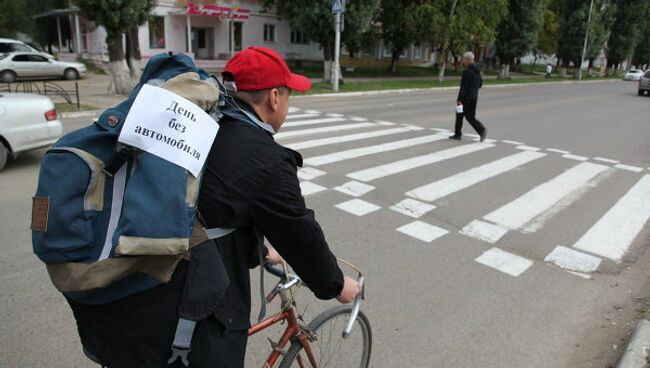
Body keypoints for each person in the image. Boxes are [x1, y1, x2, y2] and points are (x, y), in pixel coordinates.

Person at [67, 47, 361, 368]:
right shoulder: (265, 159)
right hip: (190, 314)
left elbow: (206, 209)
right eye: (289, 96)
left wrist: (260, 251)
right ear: (275, 98)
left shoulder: (200, 127)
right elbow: (299, 232)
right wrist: (336, 285)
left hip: (131, 303)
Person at [450, 51, 487, 142]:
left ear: (467, 60)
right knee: (470, 116)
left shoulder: (466, 71)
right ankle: (481, 130)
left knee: (459, 115)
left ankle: (457, 134)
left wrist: (459, 99)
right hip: (474, 97)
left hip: (465, 98)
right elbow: (480, 84)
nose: (462, 60)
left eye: (463, 59)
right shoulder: (478, 71)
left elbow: (463, 87)